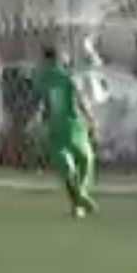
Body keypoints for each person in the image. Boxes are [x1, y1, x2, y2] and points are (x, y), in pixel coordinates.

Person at [37, 44, 99, 218]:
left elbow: (44, 105)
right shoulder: (68, 77)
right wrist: (92, 119)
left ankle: (77, 203)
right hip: (73, 126)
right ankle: (82, 196)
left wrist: (41, 122)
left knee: (67, 168)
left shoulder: (43, 79)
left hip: (55, 127)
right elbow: (80, 99)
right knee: (85, 160)